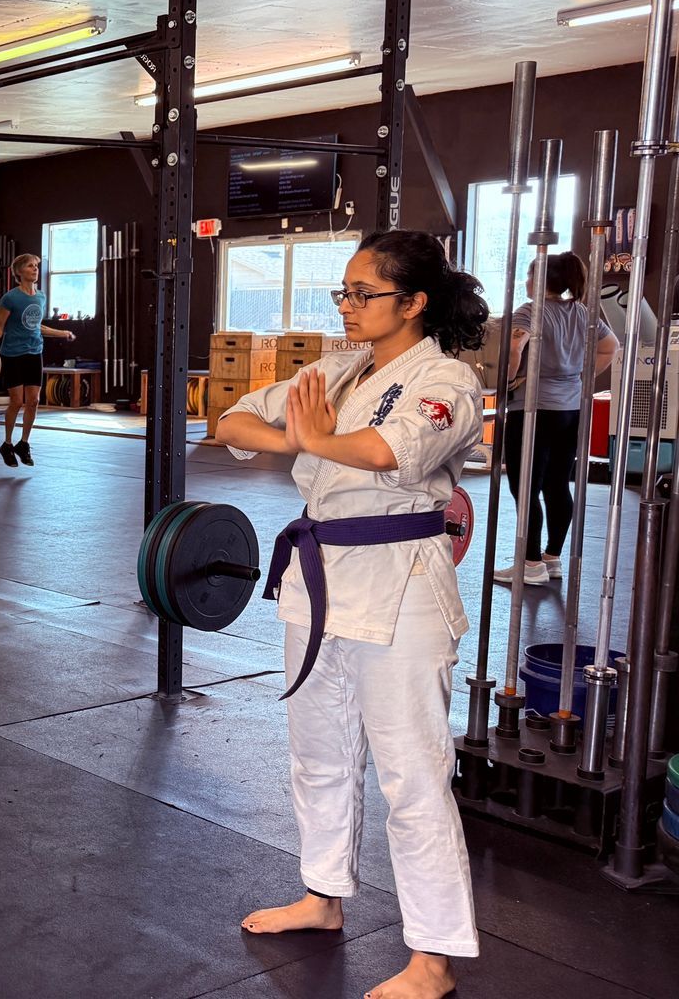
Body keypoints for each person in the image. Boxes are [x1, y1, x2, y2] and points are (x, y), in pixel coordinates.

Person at [218, 229, 488, 999]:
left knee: (413, 774)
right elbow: (229, 421)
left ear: (414, 302)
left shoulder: (448, 379)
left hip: (400, 582)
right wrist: (298, 437)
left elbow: (388, 452)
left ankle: (433, 959)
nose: (348, 306)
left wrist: (314, 439)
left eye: (364, 294)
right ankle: (322, 895)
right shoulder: (335, 370)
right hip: (318, 580)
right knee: (319, 753)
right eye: (344, 292)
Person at [496, 252, 618, 585]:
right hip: (570, 410)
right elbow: (611, 346)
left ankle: (530, 564)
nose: (526, 281)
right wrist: (581, 376)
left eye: (529, 274)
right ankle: (552, 558)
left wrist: (504, 381)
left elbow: (513, 351)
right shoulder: (581, 313)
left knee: (526, 489)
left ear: (540, 280)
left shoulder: (529, 312)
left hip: (534, 410)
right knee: (556, 484)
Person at [0, 253, 75, 467]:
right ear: (19, 272)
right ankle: (7, 444)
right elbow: (0, 326)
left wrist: (62, 333)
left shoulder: (41, 297)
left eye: (36, 265)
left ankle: (23, 443)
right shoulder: (10, 298)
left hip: (34, 353)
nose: (35, 269)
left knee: (33, 401)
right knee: (17, 402)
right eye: (30, 266)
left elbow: (37, 326)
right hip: (13, 354)